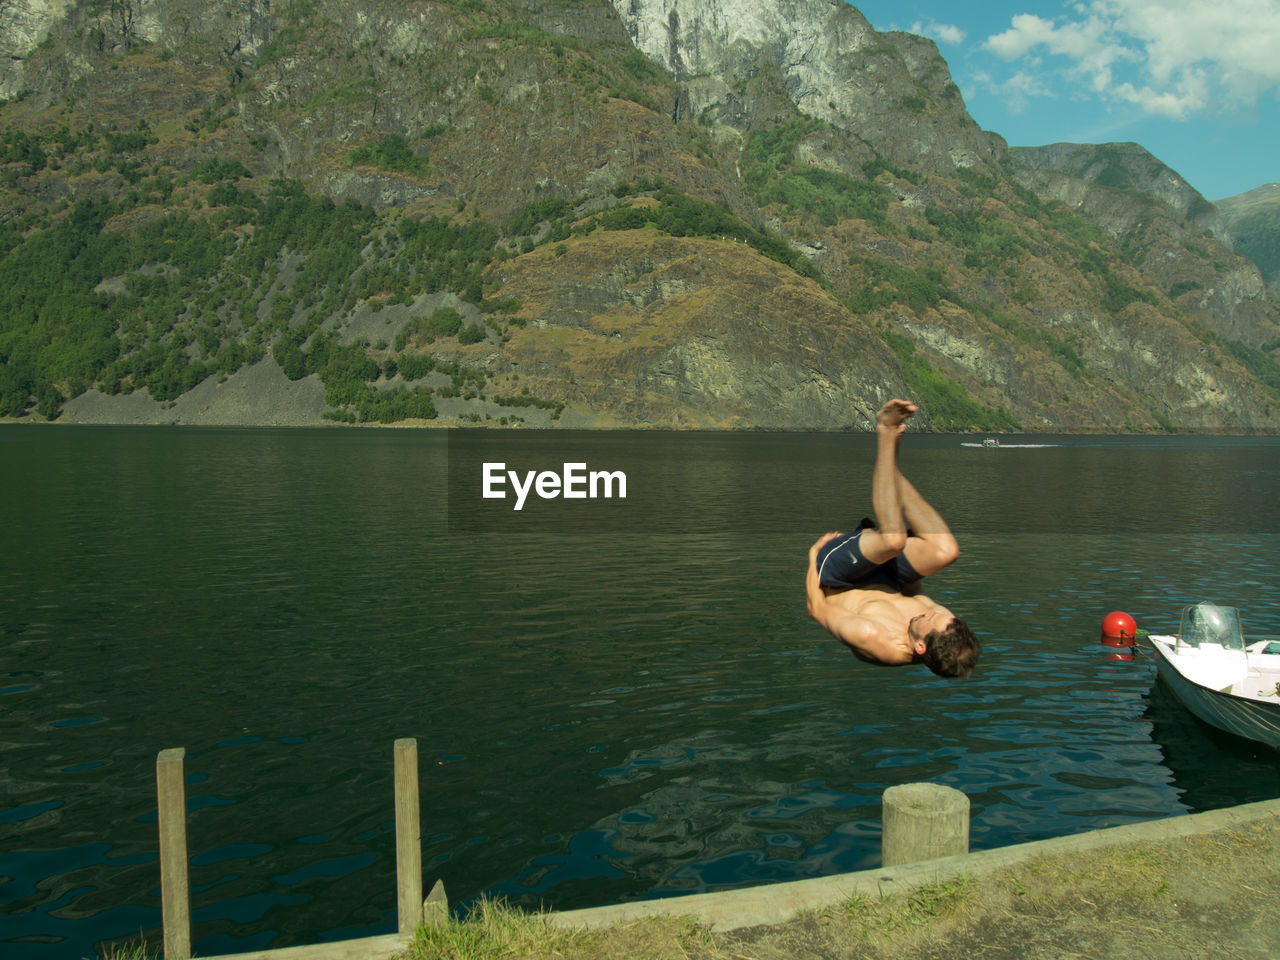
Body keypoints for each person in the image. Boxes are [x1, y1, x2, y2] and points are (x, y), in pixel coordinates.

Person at [806, 399, 979, 677]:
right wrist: (914, 563)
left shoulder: (872, 636)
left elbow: (816, 608)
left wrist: (814, 556)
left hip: (838, 577)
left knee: (893, 539)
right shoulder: (942, 626)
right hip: (888, 575)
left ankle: (886, 430)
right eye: (943, 613)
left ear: (920, 647)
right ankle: (888, 472)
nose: (932, 609)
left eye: (930, 617)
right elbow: (911, 589)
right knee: (945, 550)